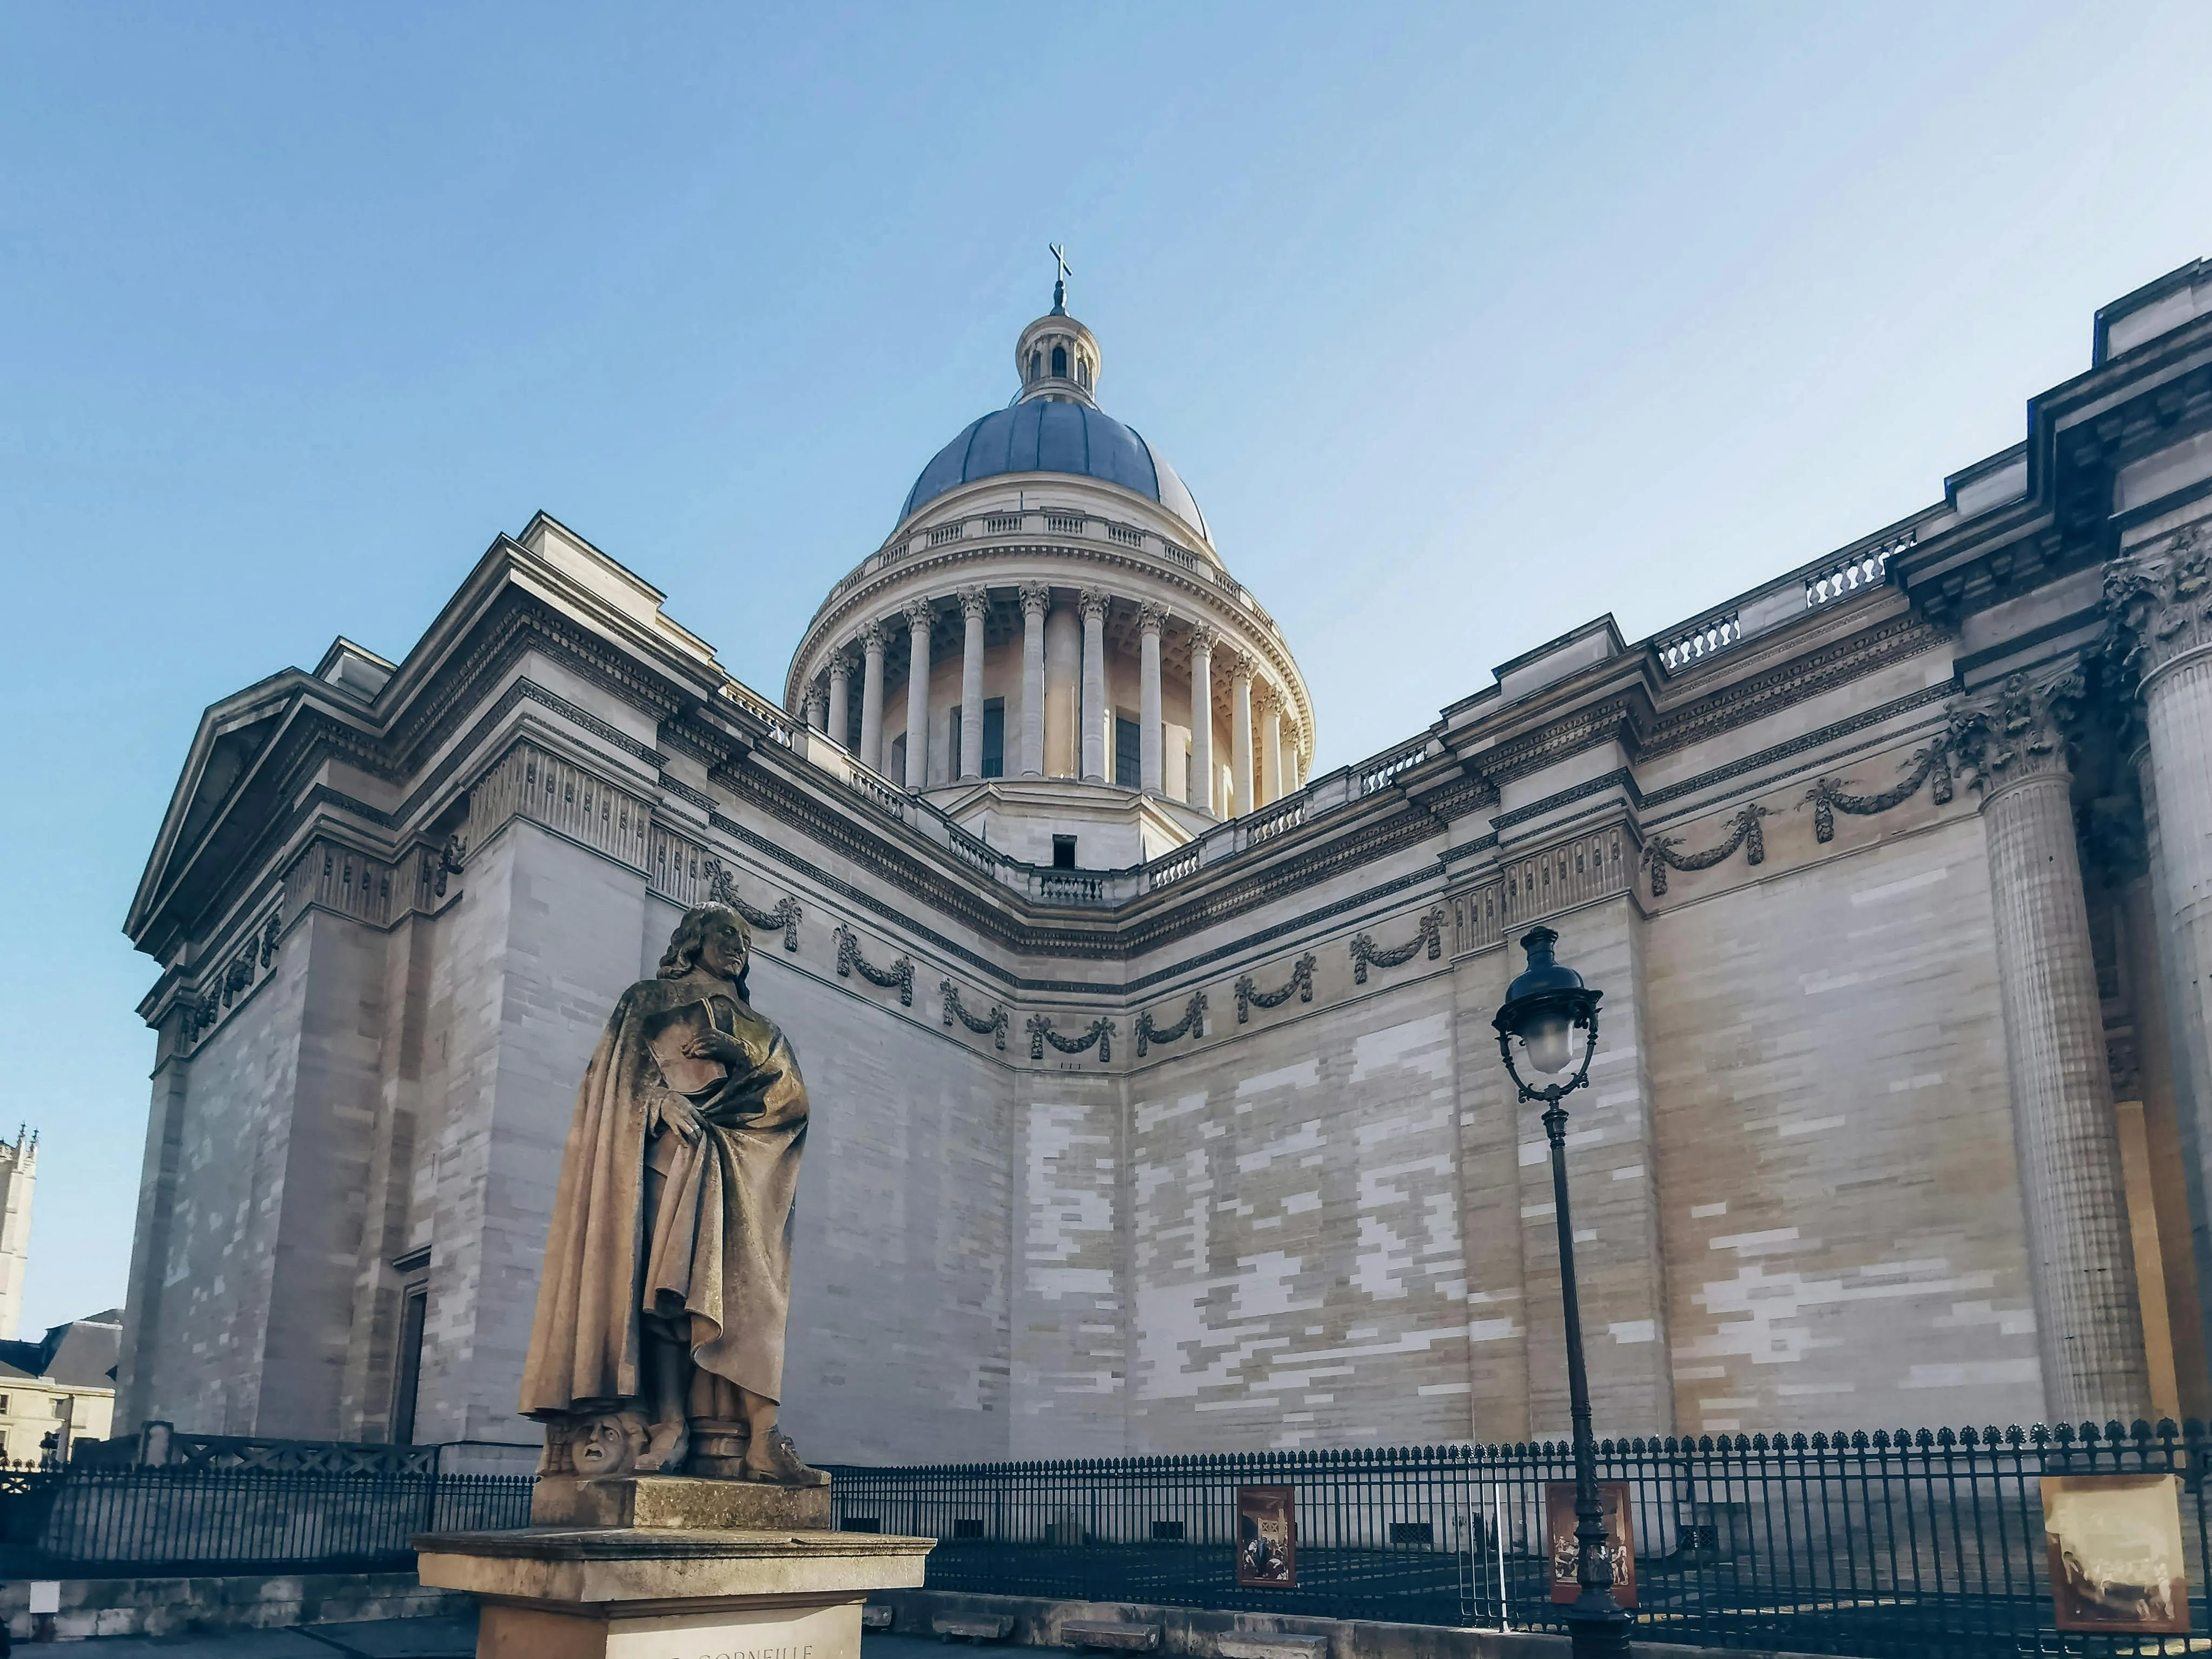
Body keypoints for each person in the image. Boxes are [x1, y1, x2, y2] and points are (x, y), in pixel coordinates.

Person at [520, 903, 824, 1484]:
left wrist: (741, 1058)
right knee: (664, 1292)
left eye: (744, 937)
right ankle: (668, 1419)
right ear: (693, 940)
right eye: (724, 933)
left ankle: (759, 1435)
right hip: (668, 1153)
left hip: (745, 1173)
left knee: (749, 1297)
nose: (736, 944)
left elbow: (794, 1102)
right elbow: (611, 1086)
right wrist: (656, 1102)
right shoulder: (647, 1001)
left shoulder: (764, 1032)